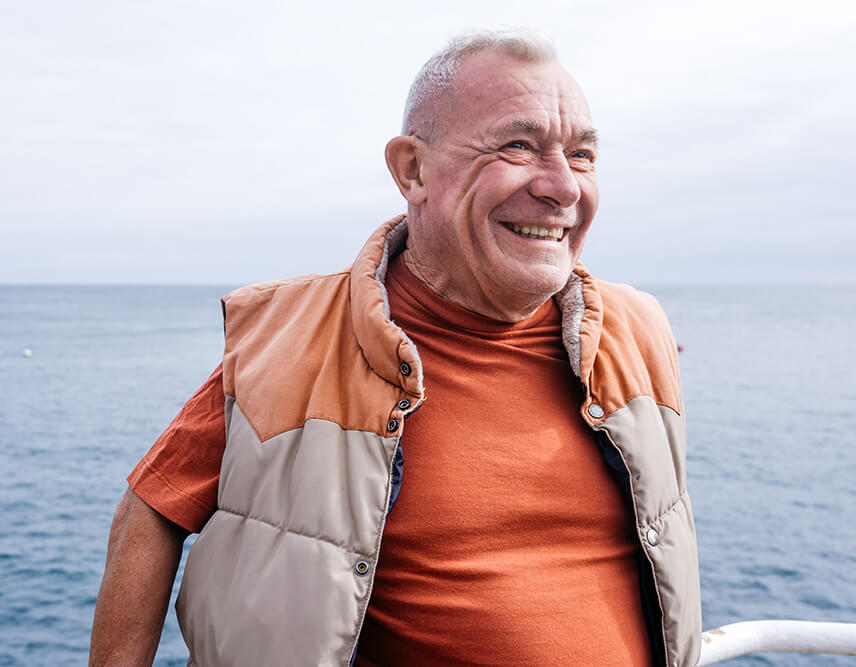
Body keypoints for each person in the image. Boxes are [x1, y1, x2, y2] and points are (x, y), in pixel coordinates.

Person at [90, 29, 702, 667]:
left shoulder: (639, 331)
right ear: (413, 170)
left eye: (581, 156)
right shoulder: (292, 341)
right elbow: (151, 507)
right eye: (518, 146)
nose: (562, 187)